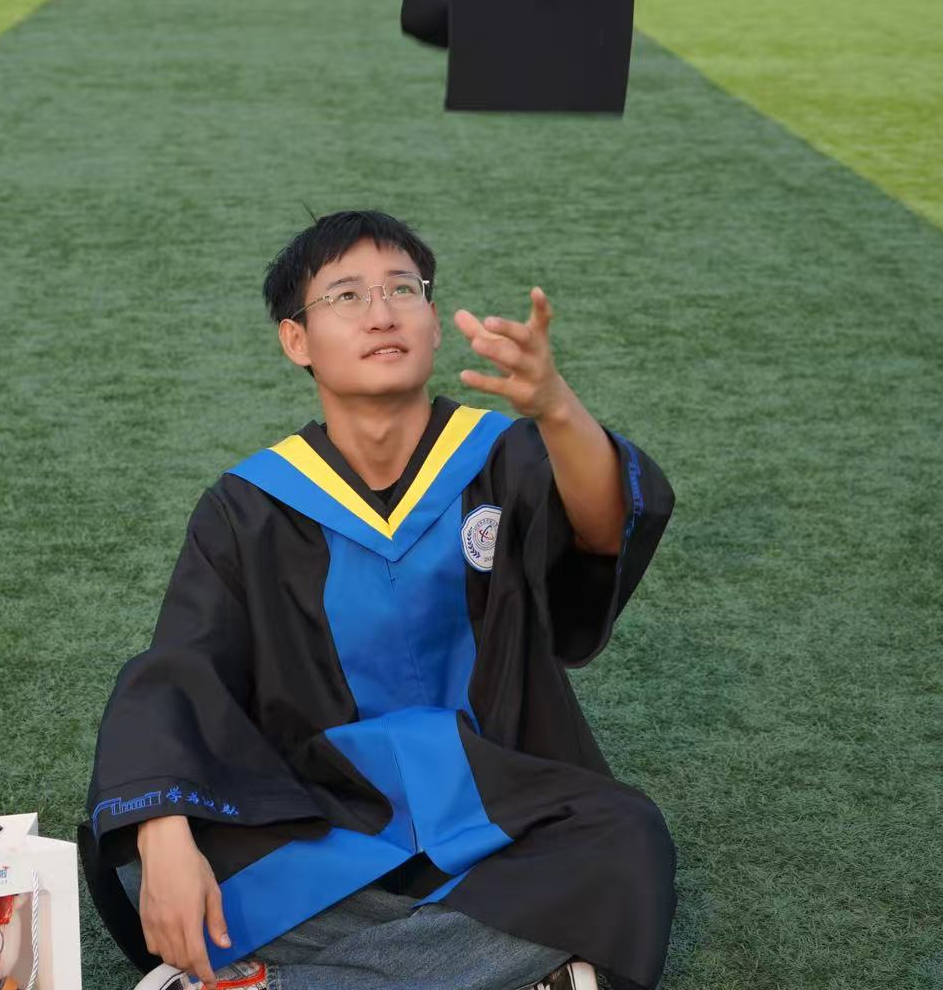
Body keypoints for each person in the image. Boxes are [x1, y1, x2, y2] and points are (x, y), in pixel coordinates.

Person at [79, 210, 676, 990]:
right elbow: (178, 669)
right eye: (347, 296)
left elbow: (602, 532)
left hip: (499, 802)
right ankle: (518, 967)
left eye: (403, 289)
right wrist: (162, 840)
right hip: (324, 814)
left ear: (432, 320)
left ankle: (280, 981)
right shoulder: (250, 508)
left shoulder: (507, 457)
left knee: (625, 840)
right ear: (296, 340)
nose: (382, 313)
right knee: (148, 853)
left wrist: (558, 408)